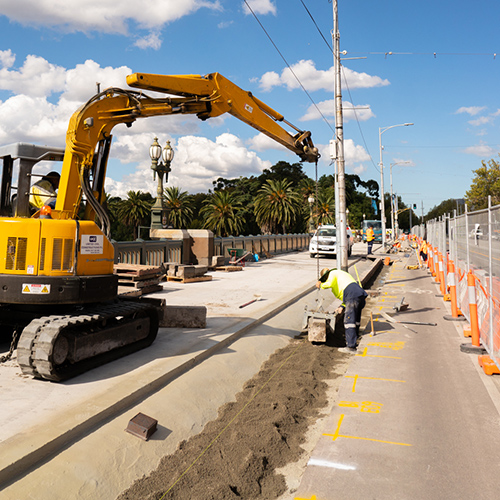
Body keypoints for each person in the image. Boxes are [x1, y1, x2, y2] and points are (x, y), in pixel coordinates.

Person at [316, 268, 368, 353]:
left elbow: (330, 283)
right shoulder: (341, 276)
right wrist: (342, 306)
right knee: (355, 319)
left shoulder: (333, 273)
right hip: (358, 293)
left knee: (349, 321)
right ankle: (356, 336)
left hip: (351, 294)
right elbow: (346, 297)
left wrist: (320, 285)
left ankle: (351, 347)